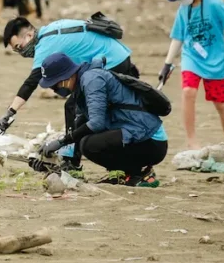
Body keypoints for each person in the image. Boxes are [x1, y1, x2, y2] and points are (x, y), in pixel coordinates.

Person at [0, 16, 138, 160]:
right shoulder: (48, 30)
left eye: (19, 47)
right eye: (16, 50)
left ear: (29, 35)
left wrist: (10, 112)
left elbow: (31, 83)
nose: (21, 53)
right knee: (79, 106)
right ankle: (75, 154)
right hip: (117, 55)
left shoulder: (45, 45)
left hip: (113, 61)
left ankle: (72, 159)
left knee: (75, 107)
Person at [34, 52, 167, 186]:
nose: (54, 89)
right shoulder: (81, 86)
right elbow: (80, 124)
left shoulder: (92, 80)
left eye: (54, 85)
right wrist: (59, 149)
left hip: (151, 140)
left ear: (65, 77)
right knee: (84, 138)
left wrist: (62, 141)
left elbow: (96, 123)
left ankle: (140, 173)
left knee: (89, 145)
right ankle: (125, 173)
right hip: (136, 133)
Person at [160, 0, 224, 147]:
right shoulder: (183, 9)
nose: (180, 0)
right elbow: (178, 37)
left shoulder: (215, 4)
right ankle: (192, 140)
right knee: (188, 92)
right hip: (191, 57)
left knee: (220, 104)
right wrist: (167, 64)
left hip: (216, 60)